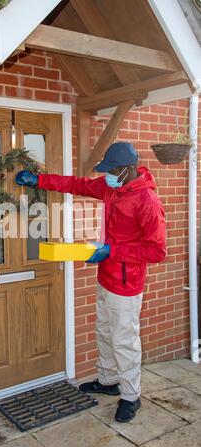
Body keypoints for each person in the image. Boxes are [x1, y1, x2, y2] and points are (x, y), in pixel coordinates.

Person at [15, 142, 166, 423]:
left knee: (124, 341)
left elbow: (157, 251)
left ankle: (131, 396)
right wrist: (39, 180)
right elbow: (78, 184)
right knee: (104, 332)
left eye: (112, 170)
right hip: (106, 276)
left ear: (128, 169)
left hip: (127, 284)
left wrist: (112, 251)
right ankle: (108, 380)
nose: (107, 175)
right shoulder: (112, 188)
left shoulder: (147, 201)